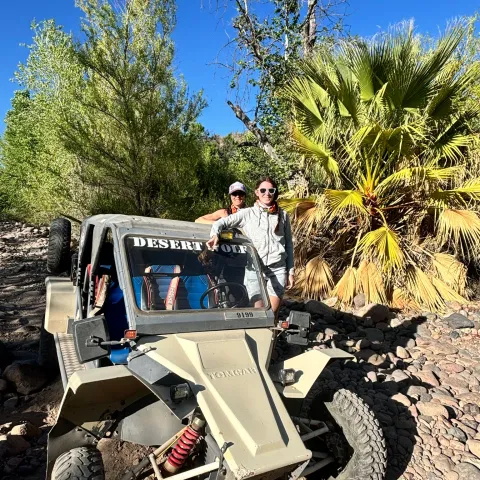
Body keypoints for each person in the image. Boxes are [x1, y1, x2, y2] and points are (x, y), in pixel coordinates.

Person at [206, 176, 294, 316]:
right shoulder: (247, 213)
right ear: (256, 192)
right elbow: (219, 223)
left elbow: (289, 244)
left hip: (278, 268)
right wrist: (215, 234)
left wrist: (290, 271)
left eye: (271, 190)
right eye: (263, 190)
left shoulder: (283, 215)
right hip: (255, 268)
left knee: (273, 313)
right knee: (259, 312)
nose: (267, 193)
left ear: (275, 192)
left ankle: (273, 336)